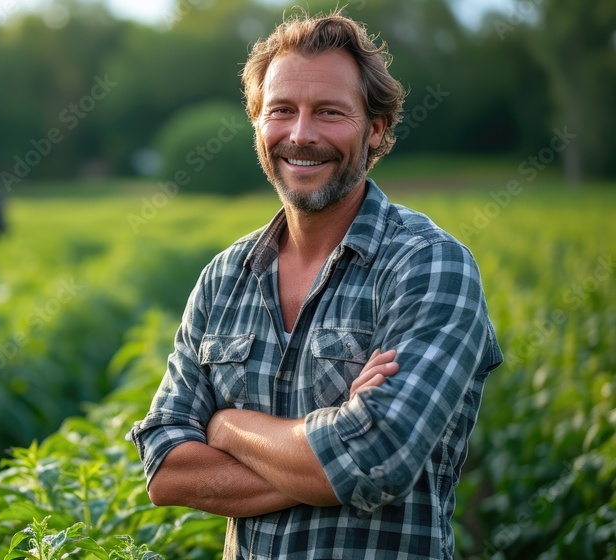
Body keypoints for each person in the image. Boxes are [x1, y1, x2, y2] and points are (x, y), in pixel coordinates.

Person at [127, 9, 503, 559]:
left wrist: (227, 428)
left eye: (329, 112)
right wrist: (331, 453)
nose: (301, 135)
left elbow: (377, 460)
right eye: (281, 110)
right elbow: (165, 469)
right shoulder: (223, 278)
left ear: (375, 129)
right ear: (258, 123)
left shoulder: (429, 266)